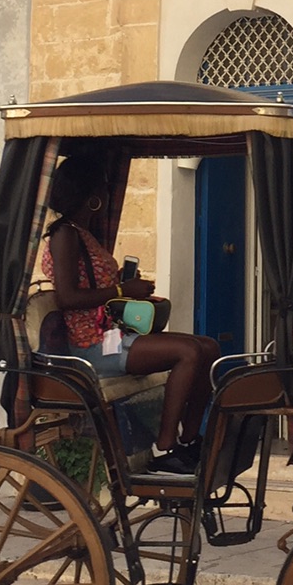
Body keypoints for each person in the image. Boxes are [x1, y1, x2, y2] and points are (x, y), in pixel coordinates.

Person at [42, 157, 221, 480]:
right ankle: (165, 448)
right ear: (90, 193)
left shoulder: (82, 234)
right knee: (189, 353)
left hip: (110, 333)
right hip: (90, 344)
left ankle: (189, 440)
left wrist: (127, 290)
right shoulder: (64, 235)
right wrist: (123, 288)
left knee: (207, 347)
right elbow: (67, 297)